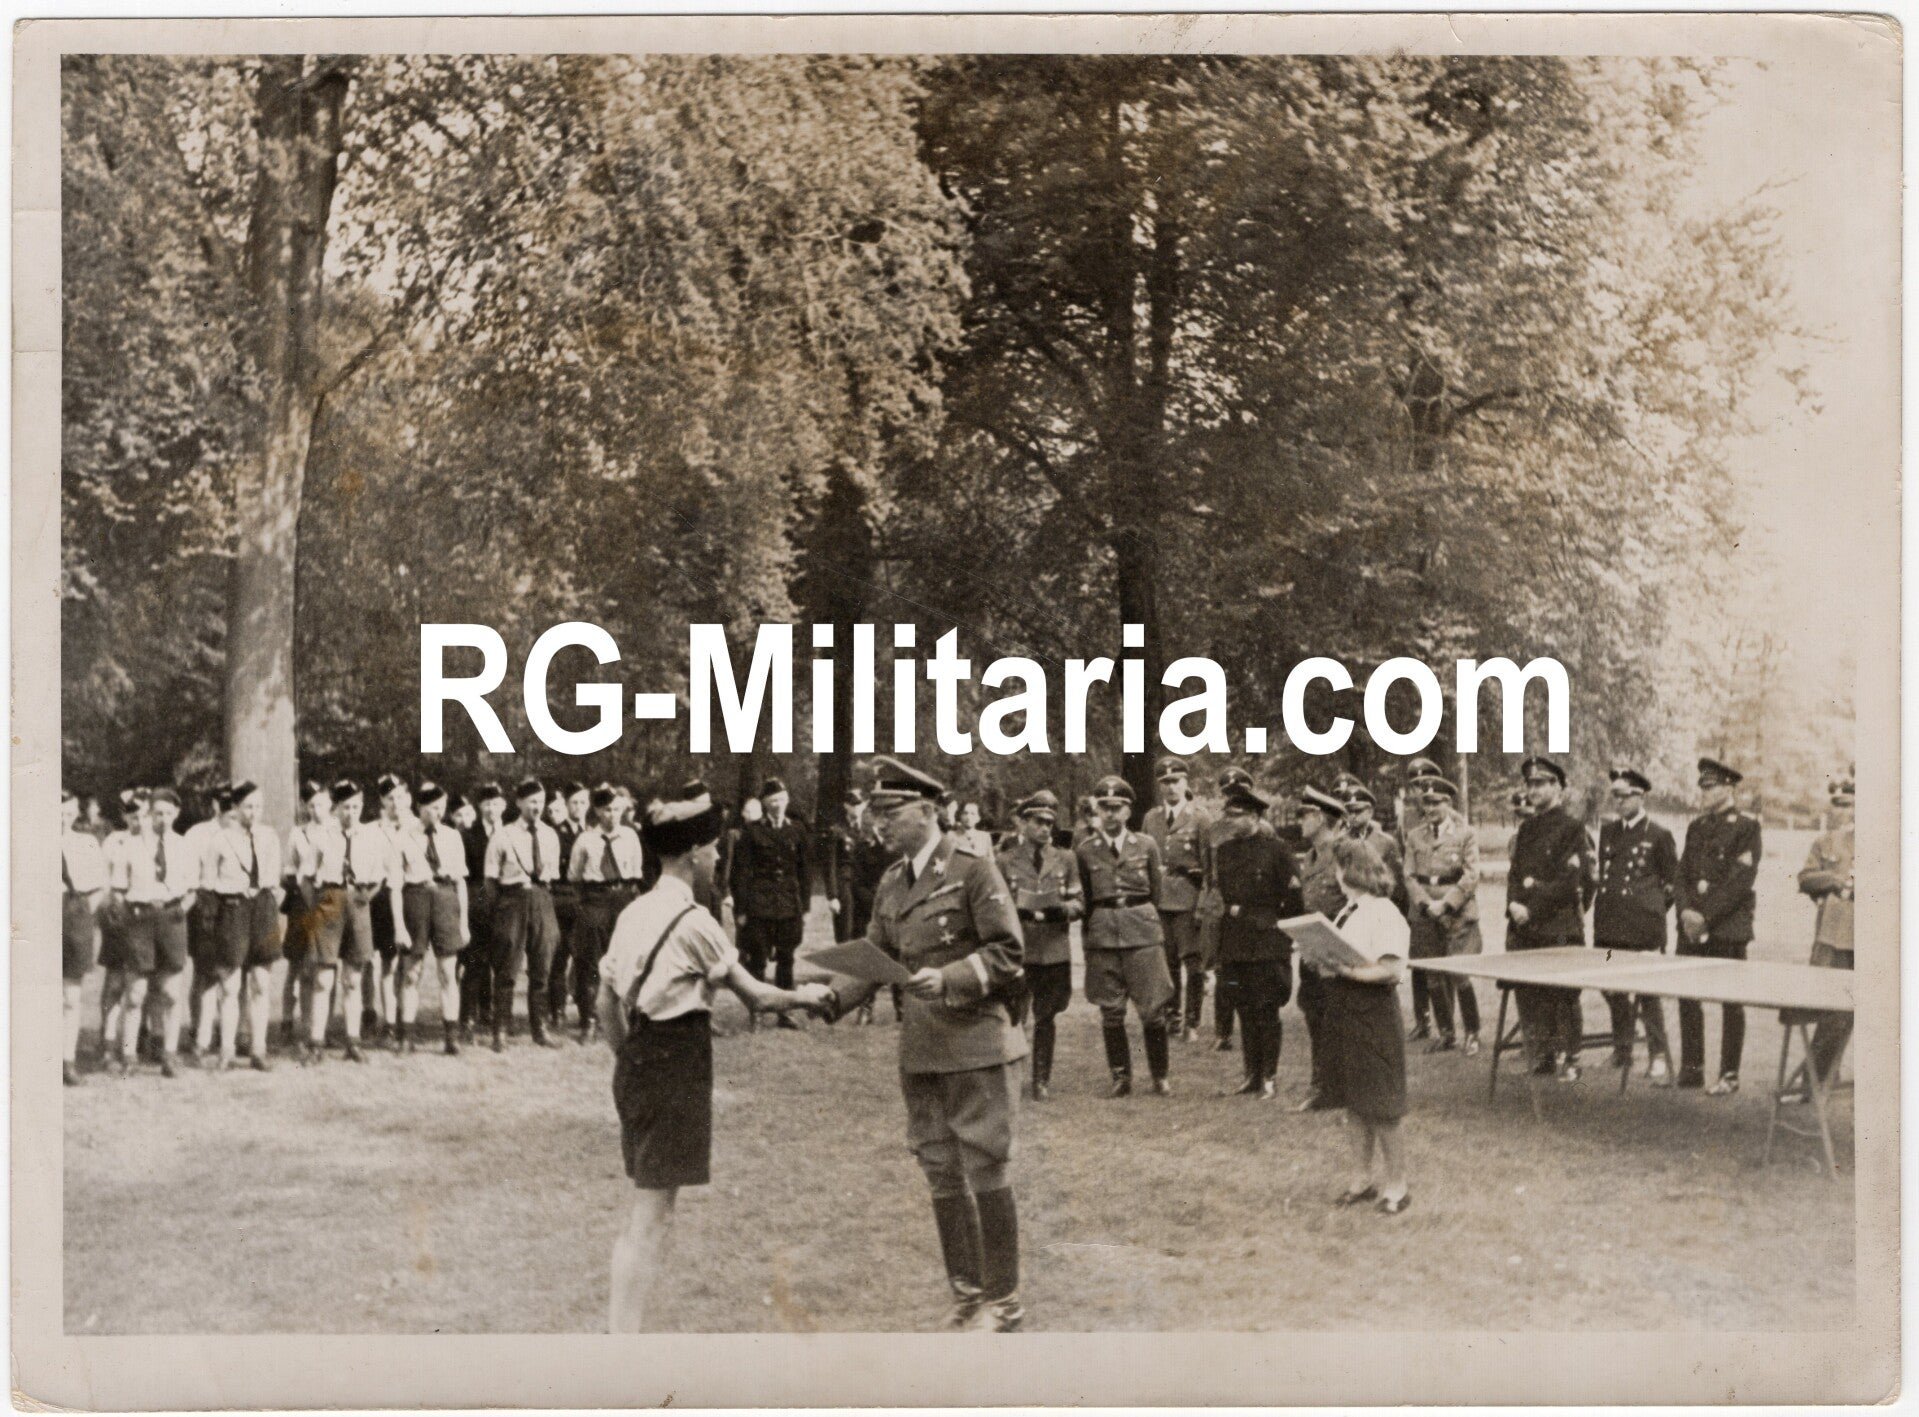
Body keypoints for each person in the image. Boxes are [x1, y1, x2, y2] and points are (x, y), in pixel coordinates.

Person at [599, 781, 831, 1332]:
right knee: (651, 1215)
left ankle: (623, 1334)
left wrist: (628, 1055)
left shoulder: (633, 913)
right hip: (676, 1062)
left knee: (652, 1207)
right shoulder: (696, 921)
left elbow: (604, 1001)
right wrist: (810, 995)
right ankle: (620, 1342)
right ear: (693, 855)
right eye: (713, 850)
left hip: (637, 1059)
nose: (719, 857)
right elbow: (757, 996)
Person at [816, 757, 1029, 1332]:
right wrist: (832, 998)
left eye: (892, 812)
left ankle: (1004, 1303)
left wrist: (952, 976)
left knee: (985, 1167)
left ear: (928, 811)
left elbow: (1008, 951)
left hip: (975, 1043)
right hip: (922, 1050)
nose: (879, 822)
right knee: (939, 1168)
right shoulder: (892, 881)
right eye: (877, 812)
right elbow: (876, 956)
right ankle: (967, 1294)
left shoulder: (973, 869)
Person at [1323, 837, 1413, 1215]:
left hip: (1373, 1012)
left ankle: (1397, 1185)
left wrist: (1345, 970)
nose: (1336, 875)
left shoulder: (1384, 912)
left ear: (1352, 869)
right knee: (1356, 1103)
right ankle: (1361, 1179)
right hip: (1346, 1010)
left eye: (1339, 867)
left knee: (1382, 1105)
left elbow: (1390, 969)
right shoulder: (1349, 911)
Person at [1076, 774, 1173, 1097]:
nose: (1111, 814)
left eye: (1117, 808)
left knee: (1152, 1008)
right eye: (1105, 807)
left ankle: (1160, 1075)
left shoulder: (1146, 845)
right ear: (1097, 811)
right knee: (1111, 1009)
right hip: (1104, 935)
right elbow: (1086, 899)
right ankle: (1120, 1076)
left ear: (1128, 811)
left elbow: (1156, 895)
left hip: (1142, 932)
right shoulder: (1086, 850)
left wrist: (1144, 921)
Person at [1210, 781, 1303, 1099]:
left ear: (1253, 816)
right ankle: (1251, 1073)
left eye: (1236, 816)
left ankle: (1269, 1076)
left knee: (1266, 1009)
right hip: (1236, 940)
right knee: (1244, 1009)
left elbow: (1292, 897)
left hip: (1266, 940)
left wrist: (1273, 923)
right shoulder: (1224, 852)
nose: (1231, 822)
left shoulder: (1278, 850)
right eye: (1228, 816)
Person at [1676, 756, 1762, 1095]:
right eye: (1702, 786)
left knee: (1731, 1000)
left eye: (1709, 786)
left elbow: (1739, 882)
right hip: (1692, 925)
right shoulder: (1696, 828)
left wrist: (1705, 917)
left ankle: (1729, 1074)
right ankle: (1692, 1067)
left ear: (1729, 787)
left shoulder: (1747, 827)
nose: (1703, 792)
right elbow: (1682, 875)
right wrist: (1685, 912)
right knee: (1686, 995)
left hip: (1727, 927)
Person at [1593, 767, 1680, 1083]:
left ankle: (1657, 1055)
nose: (1617, 801)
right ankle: (1623, 1050)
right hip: (1610, 926)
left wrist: (1650, 909)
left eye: (1623, 795)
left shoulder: (1658, 835)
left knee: (1647, 995)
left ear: (1639, 796)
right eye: (1614, 795)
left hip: (1643, 928)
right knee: (1612, 988)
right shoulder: (1609, 832)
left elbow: (1671, 885)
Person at [996, 790, 1083, 1100]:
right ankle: (1012, 1076)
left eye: (1049, 822)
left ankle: (1041, 1079)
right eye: (1038, 821)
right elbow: (994, 905)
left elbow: (1078, 901)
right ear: (1023, 823)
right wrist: (1014, 911)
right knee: (1014, 1015)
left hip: (1053, 949)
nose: (1045, 828)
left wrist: (1064, 909)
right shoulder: (1005, 860)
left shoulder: (1066, 858)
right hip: (1020, 948)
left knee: (1046, 1016)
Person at [305, 779, 398, 1063]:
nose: (352, 812)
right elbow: (307, 878)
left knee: (353, 978)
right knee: (323, 978)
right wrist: (319, 906)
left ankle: (353, 1041)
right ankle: (316, 1043)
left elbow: (382, 875)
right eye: (346, 807)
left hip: (358, 901)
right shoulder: (322, 836)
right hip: (329, 902)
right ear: (336, 808)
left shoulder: (372, 836)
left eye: (356, 806)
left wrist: (364, 898)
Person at [201, 781, 284, 1071]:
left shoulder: (270, 837)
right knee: (231, 983)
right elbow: (209, 884)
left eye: (259, 806)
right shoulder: (220, 840)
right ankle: (227, 1050)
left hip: (261, 909)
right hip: (232, 909)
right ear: (235, 808)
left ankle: (258, 1050)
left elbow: (273, 878)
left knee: (261, 982)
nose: (254, 812)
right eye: (248, 806)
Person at [1401, 765, 1483, 1056]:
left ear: (1449, 803)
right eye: (1427, 802)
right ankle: (1446, 1032)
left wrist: (1446, 903)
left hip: (1457, 912)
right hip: (1425, 914)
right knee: (1433, 975)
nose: (1431, 807)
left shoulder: (1465, 834)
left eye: (1437, 802)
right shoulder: (1414, 836)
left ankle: (1472, 1032)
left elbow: (1472, 875)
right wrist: (1425, 904)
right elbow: (1408, 875)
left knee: (1460, 973)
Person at [115, 787, 194, 1077]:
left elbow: (193, 889)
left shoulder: (184, 845)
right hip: (140, 919)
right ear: (149, 814)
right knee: (136, 993)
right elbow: (119, 889)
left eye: (168, 813)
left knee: (172, 992)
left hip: (172, 919)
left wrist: (180, 909)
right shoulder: (131, 845)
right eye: (157, 813)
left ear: (176, 815)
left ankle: (169, 1056)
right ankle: (128, 1055)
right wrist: (134, 914)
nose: (162, 818)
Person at [485, 777, 565, 1050]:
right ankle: (501, 1031)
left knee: (542, 967)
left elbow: (552, 875)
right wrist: (503, 909)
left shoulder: (550, 835)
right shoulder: (503, 835)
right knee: (507, 969)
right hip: (512, 901)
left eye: (540, 802)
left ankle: (540, 1029)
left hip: (542, 899)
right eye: (532, 801)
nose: (537, 807)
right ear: (519, 802)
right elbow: (491, 879)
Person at [726, 777, 812, 1029]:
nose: (778, 805)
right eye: (773, 801)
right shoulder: (752, 832)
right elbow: (740, 873)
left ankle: (785, 1012)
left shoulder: (797, 830)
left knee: (787, 958)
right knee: (758, 959)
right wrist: (741, 909)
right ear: (764, 804)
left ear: (787, 801)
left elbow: (804, 872)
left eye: (782, 800)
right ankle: (757, 1010)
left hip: (788, 903)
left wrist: (805, 907)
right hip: (759, 904)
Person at [394, 781, 468, 1054]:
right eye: (432, 808)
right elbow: (394, 886)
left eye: (441, 808)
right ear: (419, 807)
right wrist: (400, 926)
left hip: (446, 900)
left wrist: (464, 923)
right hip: (415, 899)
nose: (438, 813)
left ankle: (451, 1036)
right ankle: (406, 1036)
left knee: (448, 972)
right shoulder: (404, 836)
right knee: (411, 973)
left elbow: (460, 882)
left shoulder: (452, 836)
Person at [1142, 755, 1212, 1042]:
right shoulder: (1151, 818)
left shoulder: (1200, 818)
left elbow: (1209, 866)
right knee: (1166, 962)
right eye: (1165, 782)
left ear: (1185, 783)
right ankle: (1173, 1017)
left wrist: (1203, 903)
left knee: (1193, 964)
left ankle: (1193, 1020)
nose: (1170, 788)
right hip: (1160, 901)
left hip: (1189, 899)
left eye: (1175, 781)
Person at [568, 785, 645, 1044]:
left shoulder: (631, 837)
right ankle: (589, 1020)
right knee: (591, 961)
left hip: (623, 898)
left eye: (616, 810)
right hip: (595, 898)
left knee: (625, 959)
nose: (612, 815)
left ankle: (625, 1018)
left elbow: (636, 874)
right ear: (598, 812)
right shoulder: (586, 840)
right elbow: (575, 876)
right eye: (607, 810)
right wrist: (590, 900)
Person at [1796, 768, 1855, 1092]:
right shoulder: (1824, 841)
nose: (1842, 811)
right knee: (1827, 1010)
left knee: (1849, 1014)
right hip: (1831, 938)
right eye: (1838, 805)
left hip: (1864, 939)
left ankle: (1821, 1077)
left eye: (1848, 804)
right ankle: (1814, 1079)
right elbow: (1805, 878)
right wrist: (1834, 881)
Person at [1291, 786, 1349, 1111]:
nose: (1300, 820)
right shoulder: (1309, 858)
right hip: (1312, 952)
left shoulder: (1341, 853)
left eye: (1306, 815)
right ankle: (1322, 1083)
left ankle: (1334, 1086)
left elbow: (1352, 902)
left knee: (1333, 1019)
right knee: (1314, 1014)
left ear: (1324, 819)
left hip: (1334, 952)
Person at [61, 788, 109, 1086]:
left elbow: (101, 884)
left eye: (67, 813)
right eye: (57, 813)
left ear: (76, 812)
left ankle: (67, 1061)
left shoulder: (86, 843)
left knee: (71, 994)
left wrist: (83, 911)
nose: (62, 819)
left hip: (76, 915)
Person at [279, 781, 331, 1050]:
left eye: (321, 804)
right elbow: (289, 867)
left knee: (326, 963)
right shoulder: (298, 833)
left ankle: (322, 1024)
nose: (316, 810)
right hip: (303, 903)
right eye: (311, 805)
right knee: (297, 965)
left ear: (330, 803)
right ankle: (289, 1019)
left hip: (330, 903)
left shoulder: (336, 831)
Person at [182, 784, 232, 1060]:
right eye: (224, 804)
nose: (229, 810)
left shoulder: (243, 831)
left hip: (235, 906)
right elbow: (191, 876)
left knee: (235, 971)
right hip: (207, 906)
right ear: (215, 805)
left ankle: (233, 1032)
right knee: (206, 973)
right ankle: (200, 1034)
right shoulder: (198, 834)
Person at [367, 774, 417, 1044]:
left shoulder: (418, 827)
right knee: (387, 963)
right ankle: (388, 1021)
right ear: (382, 802)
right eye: (390, 799)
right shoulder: (373, 830)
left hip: (413, 897)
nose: (396, 803)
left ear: (407, 798)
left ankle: (406, 1019)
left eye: (400, 797)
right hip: (384, 900)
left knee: (411, 964)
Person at [459, 783, 506, 1043]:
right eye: (486, 804)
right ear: (479, 808)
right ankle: (468, 1019)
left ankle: (491, 1014)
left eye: (496, 803)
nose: (491, 808)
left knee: (500, 962)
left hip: (505, 906)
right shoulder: (468, 835)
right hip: (477, 906)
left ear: (504, 806)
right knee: (475, 963)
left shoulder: (510, 833)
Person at [546, 781, 589, 1033]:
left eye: (583, 802)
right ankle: (557, 1012)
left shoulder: (592, 832)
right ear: (567, 805)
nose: (579, 807)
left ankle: (586, 1014)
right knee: (558, 960)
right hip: (561, 899)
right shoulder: (555, 833)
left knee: (585, 960)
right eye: (574, 802)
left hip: (585, 901)